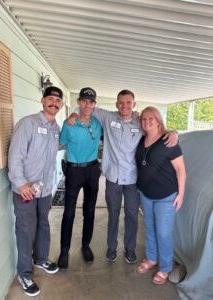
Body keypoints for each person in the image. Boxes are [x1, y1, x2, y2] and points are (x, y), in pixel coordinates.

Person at [68, 90, 178, 264]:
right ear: (116, 104)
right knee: (113, 214)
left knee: (132, 215)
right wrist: (74, 113)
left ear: (134, 104)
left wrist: (174, 133)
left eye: (128, 102)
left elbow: (158, 131)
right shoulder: (108, 118)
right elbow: (85, 107)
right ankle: (112, 248)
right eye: (121, 102)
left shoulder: (141, 122)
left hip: (133, 180)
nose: (124, 106)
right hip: (113, 178)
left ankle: (130, 249)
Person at [8, 86, 64, 297]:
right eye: (50, 99)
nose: (54, 103)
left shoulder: (55, 129)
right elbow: (15, 156)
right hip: (26, 190)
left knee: (43, 224)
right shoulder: (28, 123)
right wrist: (21, 184)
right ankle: (24, 273)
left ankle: (40, 259)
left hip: (44, 189)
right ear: (42, 100)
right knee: (25, 230)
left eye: (58, 101)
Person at [135, 106, 186, 285]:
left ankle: (165, 268)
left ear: (158, 120)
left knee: (163, 233)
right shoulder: (142, 140)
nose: (147, 121)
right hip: (145, 193)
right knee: (149, 228)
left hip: (166, 196)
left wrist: (181, 194)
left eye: (151, 118)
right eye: (144, 119)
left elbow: (180, 169)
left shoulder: (169, 141)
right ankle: (151, 258)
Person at [57, 87, 102, 270]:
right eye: (83, 100)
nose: (87, 104)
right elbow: (61, 143)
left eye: (90, 101)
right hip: (74, 171)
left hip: (93, 170)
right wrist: (71, 119)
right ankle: (64, 251)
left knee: (89, 211)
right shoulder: (70, 124)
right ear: (78, 102)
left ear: (94, 104)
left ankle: (85, 245)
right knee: (69, 212)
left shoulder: (99, 124)